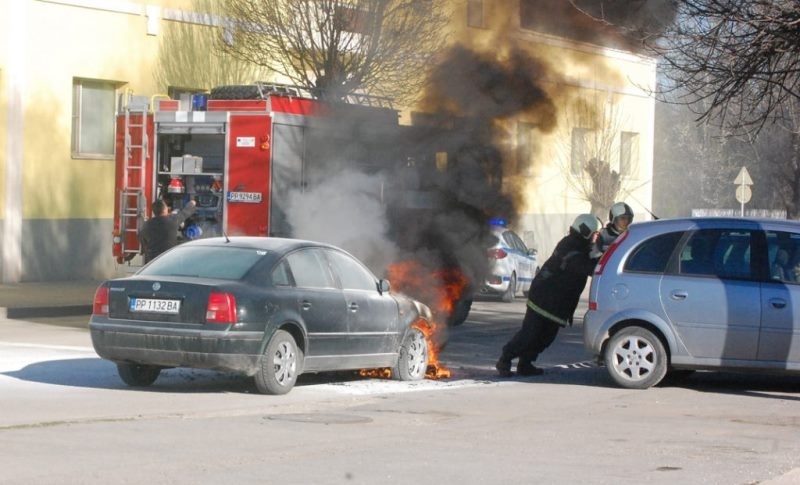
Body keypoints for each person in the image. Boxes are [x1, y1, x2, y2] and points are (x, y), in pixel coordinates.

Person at [496, 214, 603, 377]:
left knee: (545, 338)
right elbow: (585, 267)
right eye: (596, 233)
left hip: (557, 304)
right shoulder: (570, 247)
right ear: (585, 230)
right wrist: (604, 260)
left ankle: (526, 363)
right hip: (544, 299)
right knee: (529, 334)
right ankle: (505, 359)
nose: (597, 237)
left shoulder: (582, 247)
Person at [139, 198, 197, 263]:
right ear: (164, 210)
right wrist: (192, 203)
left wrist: (147, 253)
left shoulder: (147, 225)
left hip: (153, 261)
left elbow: (142, 240)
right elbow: (185, 213)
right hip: (169, 259)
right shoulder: (172, 220)